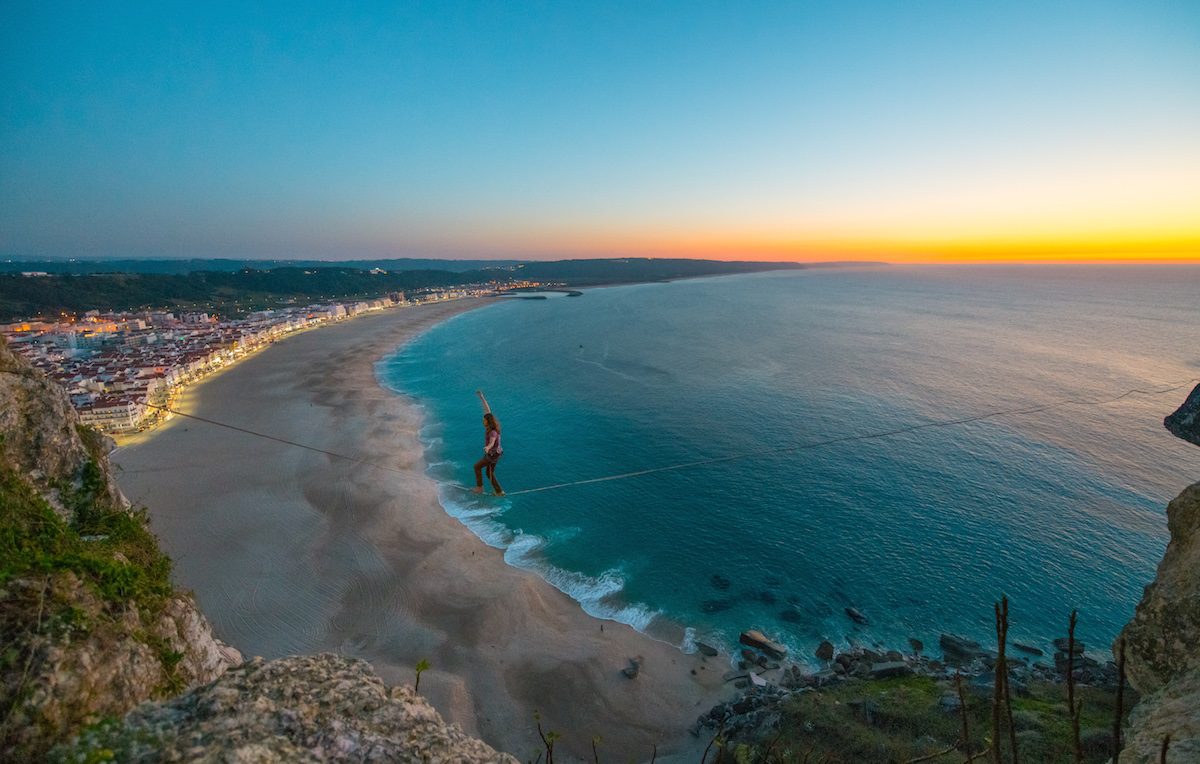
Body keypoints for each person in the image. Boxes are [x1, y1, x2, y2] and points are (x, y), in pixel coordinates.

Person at [472, 389, 504, 495]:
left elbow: (492, 441)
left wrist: (487, 447)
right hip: (497, 454)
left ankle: (479, 488)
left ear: (487, 421)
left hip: (492, 454)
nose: (483, 420)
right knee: (489, 472)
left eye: (484, 420)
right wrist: (482, 397)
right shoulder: (492, 426)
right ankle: (499, 492)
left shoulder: (493, 432)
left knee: (476, 467)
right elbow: (487, 409)